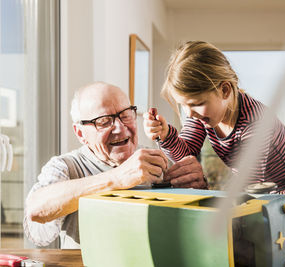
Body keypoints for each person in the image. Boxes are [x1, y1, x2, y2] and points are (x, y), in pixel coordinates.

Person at [143, 41, 285, 248]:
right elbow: (187, 152)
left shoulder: (255, 124)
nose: (189, 114)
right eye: (183, 105)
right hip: (257, 186)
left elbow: (251, 187)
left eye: (196, 104)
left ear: (225, 90)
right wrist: (166, 135)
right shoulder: (202, 115)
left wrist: (208, 195)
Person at [24, 82, 207, 249]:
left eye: (126, 115)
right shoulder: (66, 166)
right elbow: (36, 212)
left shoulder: (159, 159)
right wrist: (118, 178)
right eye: (104, 121)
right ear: (80, 133)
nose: (120, 128)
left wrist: (200, 190)